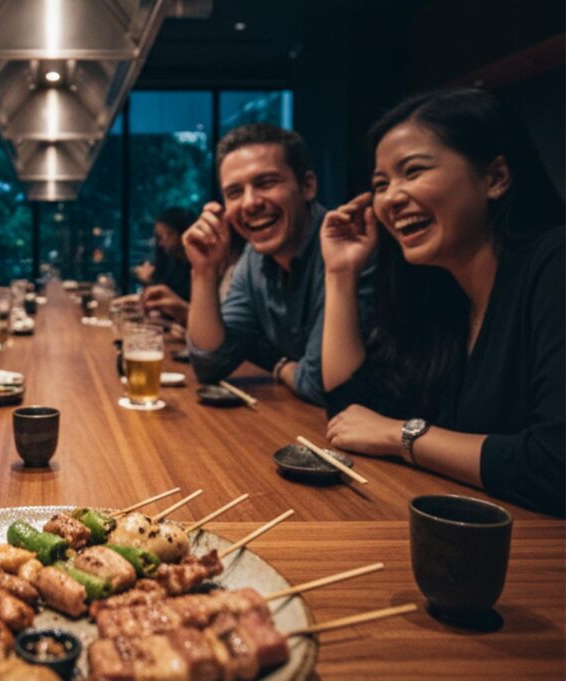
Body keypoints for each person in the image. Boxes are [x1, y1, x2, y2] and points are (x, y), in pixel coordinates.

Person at [320, 88, 564, 516]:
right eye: (380, 184)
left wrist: (402, 436)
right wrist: (340, 273)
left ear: (495, 178)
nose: (391, 197)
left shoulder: (554, 264)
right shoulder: (441, 292)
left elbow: (553, 465)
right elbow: (351, 413)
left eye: (412, 171)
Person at [182, 124, 373, 404]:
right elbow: (210, 365)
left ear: (308, 186)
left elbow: (321, 385)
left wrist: (279, 366)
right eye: (235, 192)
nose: (249, 203)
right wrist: (203, 271)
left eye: (266, 183)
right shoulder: (253, 258)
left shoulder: (350, 248)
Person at [141, 207, 247, 327]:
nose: (159, 244)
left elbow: (226, 333)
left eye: (164, 236)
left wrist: (182, 309)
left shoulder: (237, 274)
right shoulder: (176, 264)